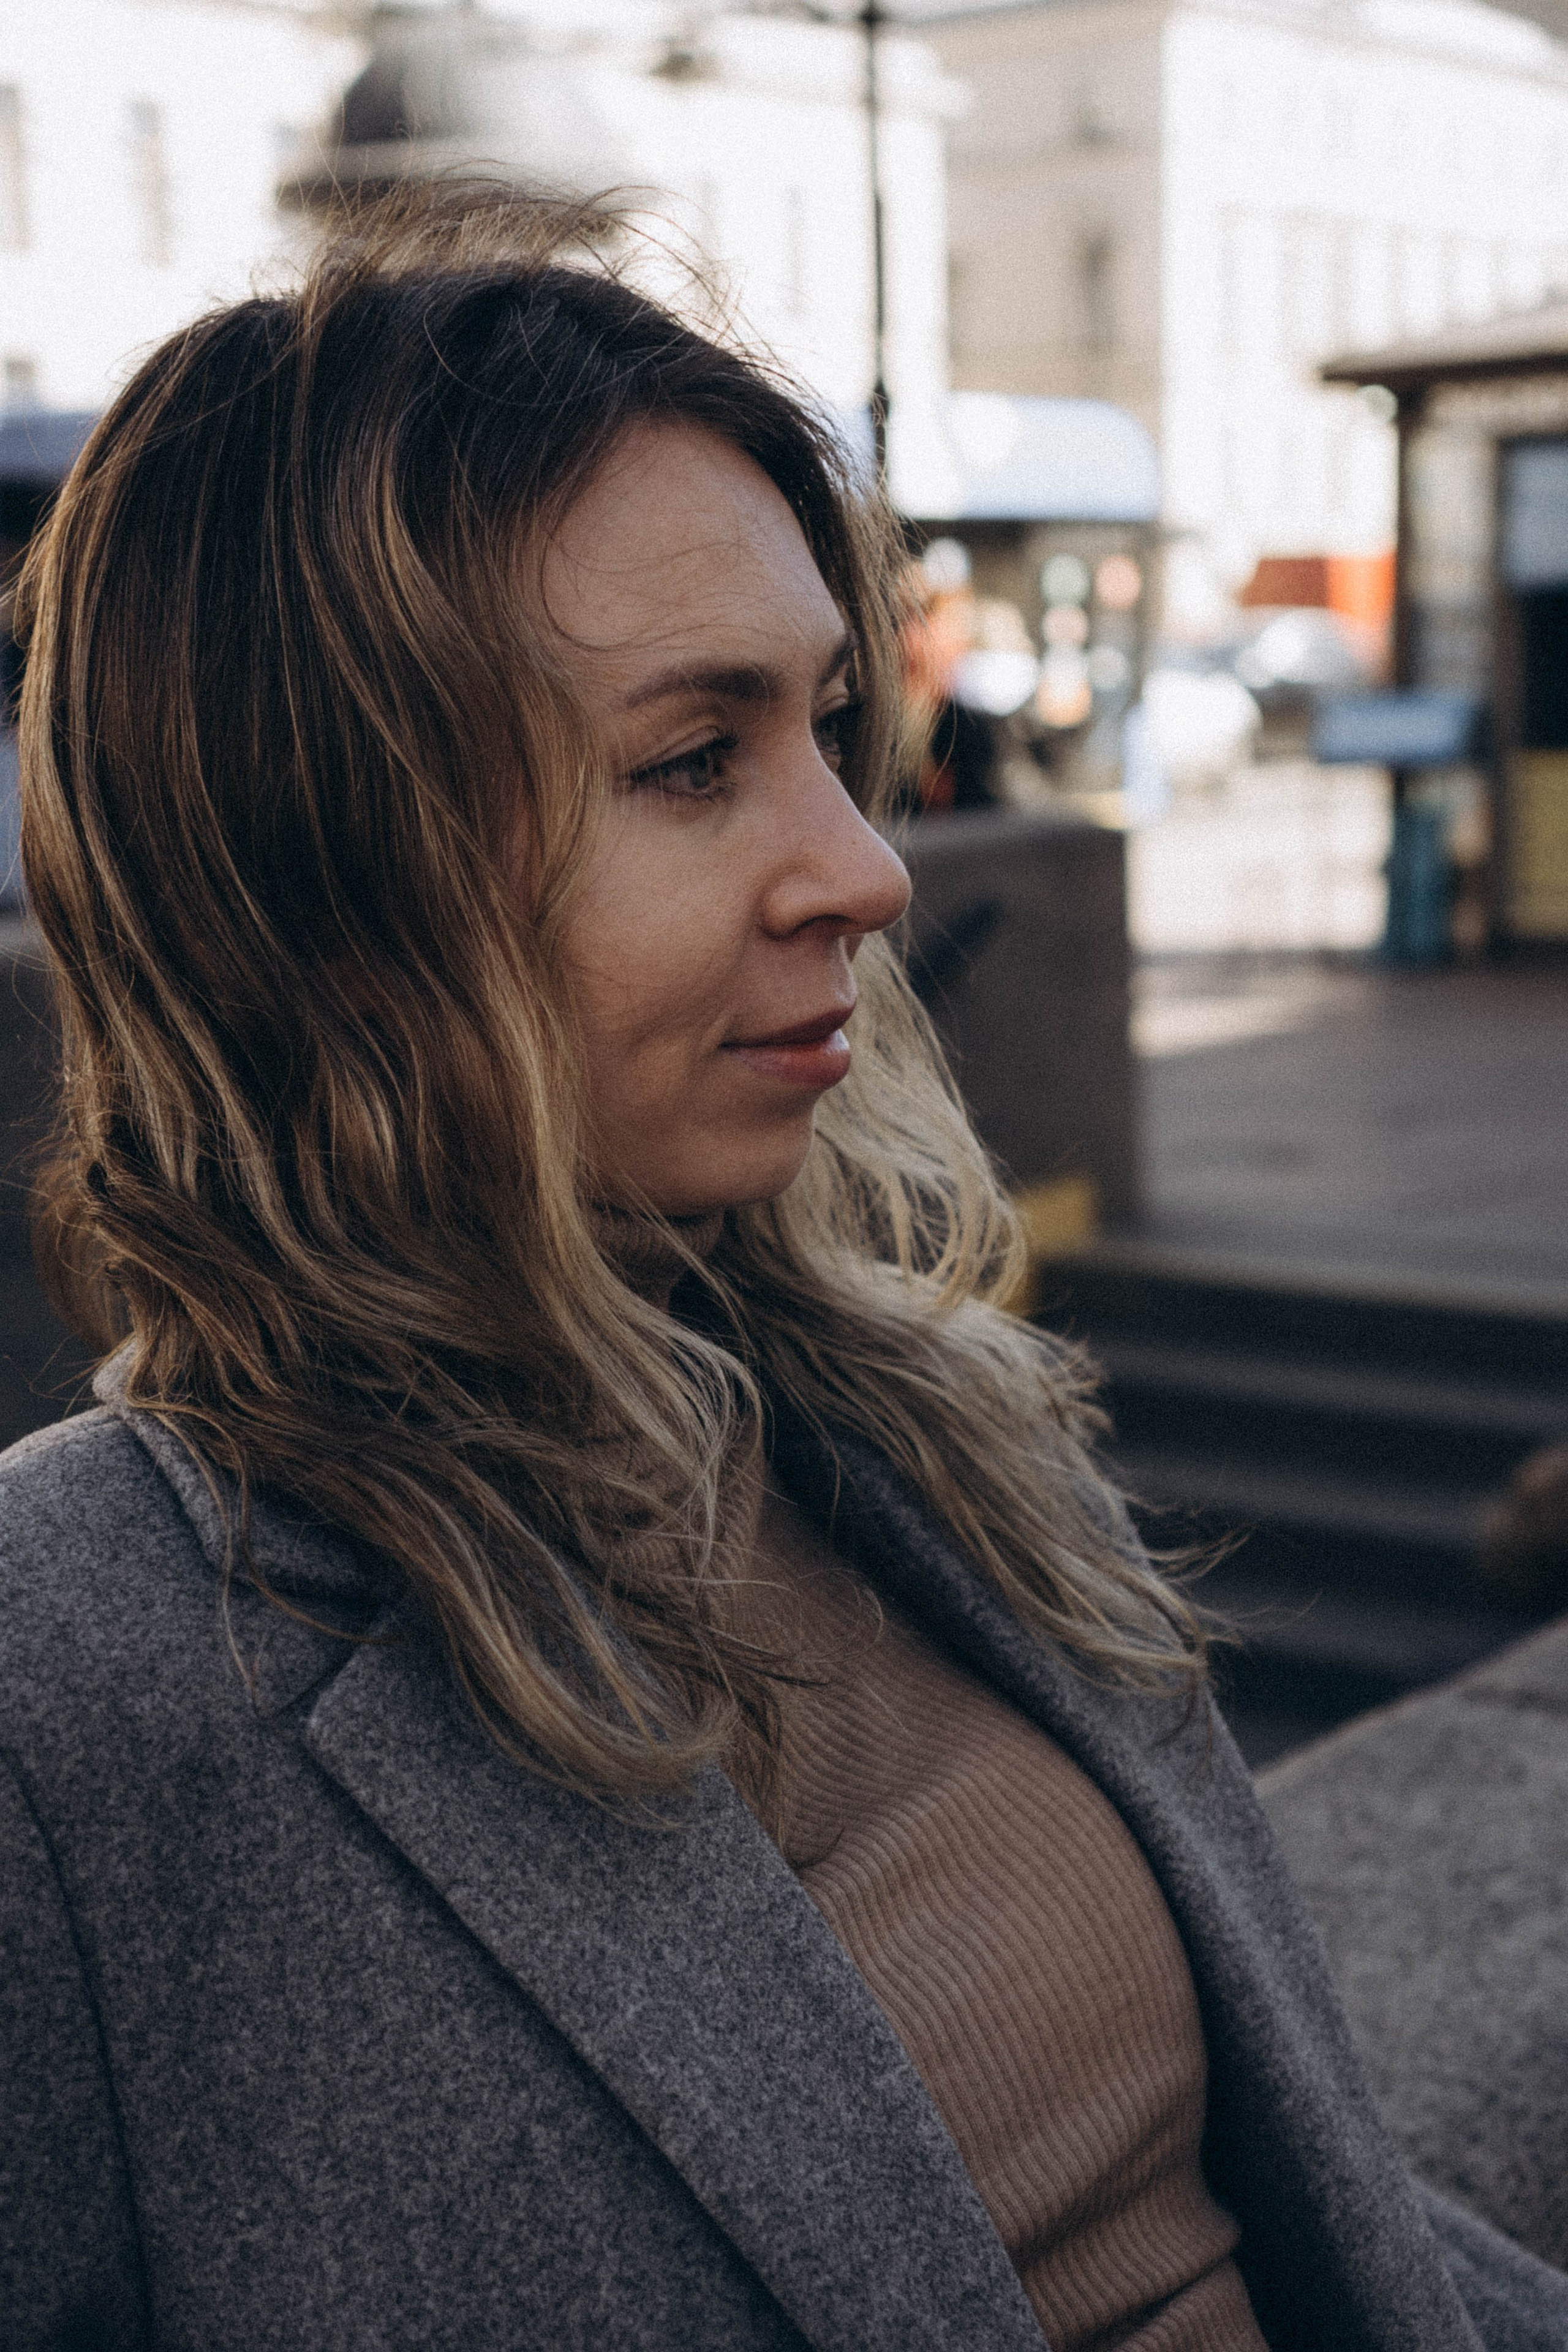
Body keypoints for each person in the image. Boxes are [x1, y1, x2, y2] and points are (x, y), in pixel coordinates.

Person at [1, 185, 1563, 2352]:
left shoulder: (906, 1419)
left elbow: (1313, 2212)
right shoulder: (77, 1666)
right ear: (324, 869)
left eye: (832, 728)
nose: (863, 863)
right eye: (689, 760)